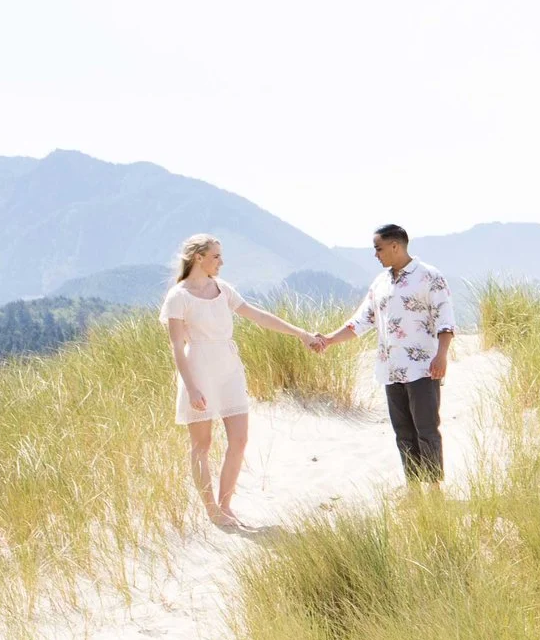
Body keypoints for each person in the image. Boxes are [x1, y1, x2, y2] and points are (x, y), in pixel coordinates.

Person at [161, 234, 321, 528]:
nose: (222, 262)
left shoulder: (223, 289)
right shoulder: (178, 296)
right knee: (202, 445)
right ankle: (211, 510)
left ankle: (226, 505)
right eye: (216, 256)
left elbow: (259, 316)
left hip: (229, 369)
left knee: (240, 439)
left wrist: (301, 333)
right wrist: (192, 387)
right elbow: (176, 346)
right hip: (198, 369)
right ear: (199, 257)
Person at [312, 224, 455, 482]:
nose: (376, 255)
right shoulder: (380, 283)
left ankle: (434, 491)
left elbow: (445, 319)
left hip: (424, 367)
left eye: (378, 249)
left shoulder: (430, 276)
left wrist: (442, 355)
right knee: (403, 433)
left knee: (427, 430)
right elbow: (361, 321)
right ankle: (413, 488)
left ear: (395, 246)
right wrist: (329, 340)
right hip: (391, 370)